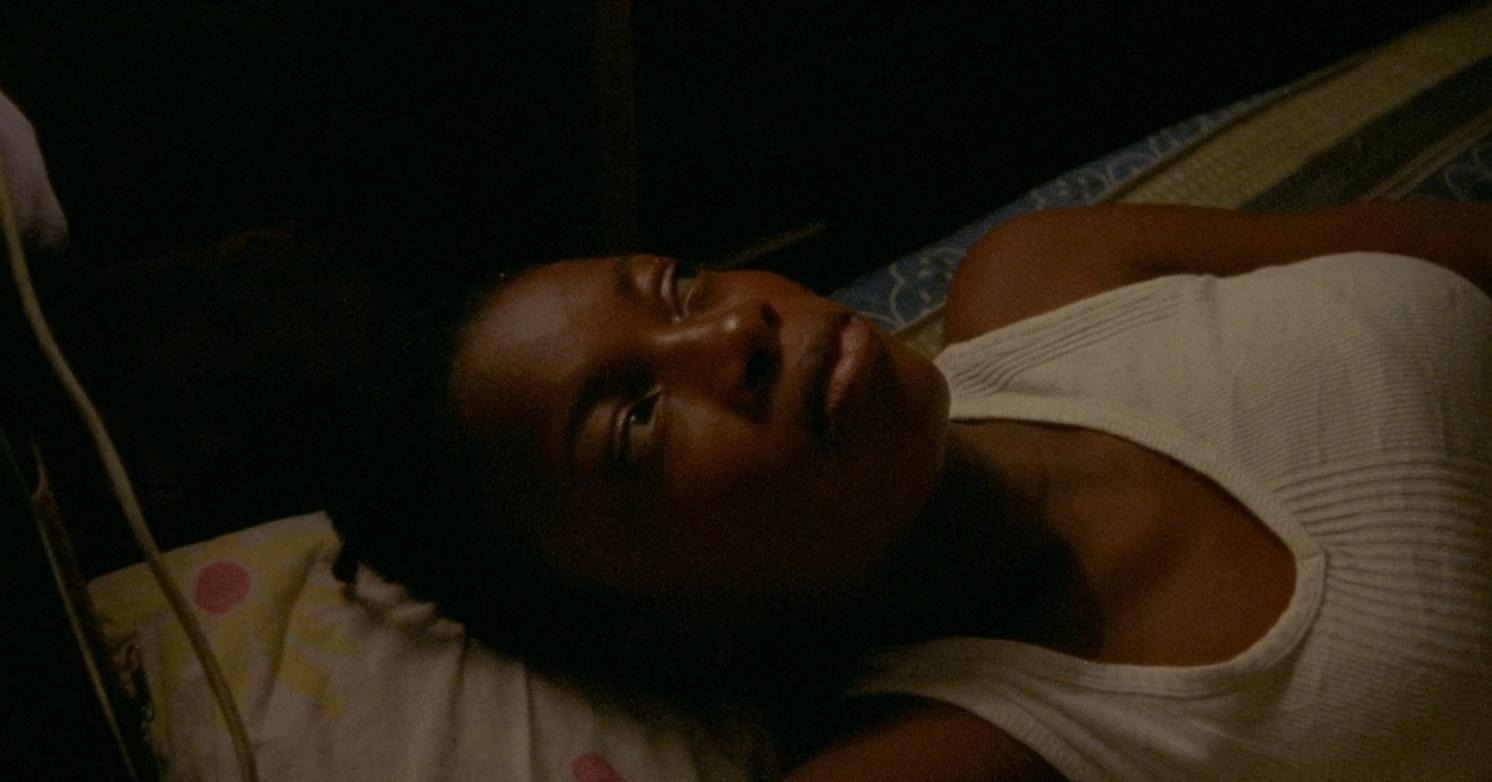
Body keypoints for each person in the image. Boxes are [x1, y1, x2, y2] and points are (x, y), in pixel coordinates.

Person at [325, 200, 1492, 781]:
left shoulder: (1048, 273)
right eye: (635, 424)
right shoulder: (952, 748)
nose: (734, 331)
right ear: (660, 618)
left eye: (679, 286)